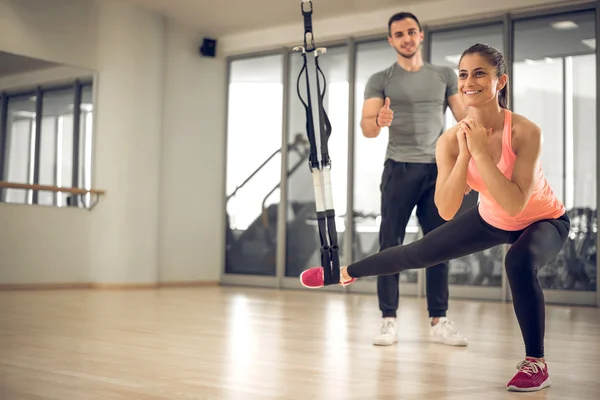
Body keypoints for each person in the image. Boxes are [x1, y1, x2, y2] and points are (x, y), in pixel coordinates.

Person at [301, 42, 569, 392]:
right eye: (462, 74)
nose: (468, 81)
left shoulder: (525, 132)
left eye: (479, 74)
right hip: (492, 218)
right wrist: (462, 154)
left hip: (542, 220)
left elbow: (517, 204)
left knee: (519, 261)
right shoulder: (448, 142)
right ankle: (344, 273)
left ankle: (536, 363)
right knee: (420, 251)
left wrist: (478, 153)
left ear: (499, 82)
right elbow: (445, 208)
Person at [359, 11, 468, 347]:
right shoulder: (381, 79)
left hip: (437, 170)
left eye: (411, 32)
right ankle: (388, 319)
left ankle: (439, 319)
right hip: (399, 168)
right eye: (399, 34)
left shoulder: (444, 74)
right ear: (391, 40)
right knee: (390, 243)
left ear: (420, 35)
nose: (406, 38)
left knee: (439, 244)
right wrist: (380, 118)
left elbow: (464, 118)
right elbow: (367, 129)